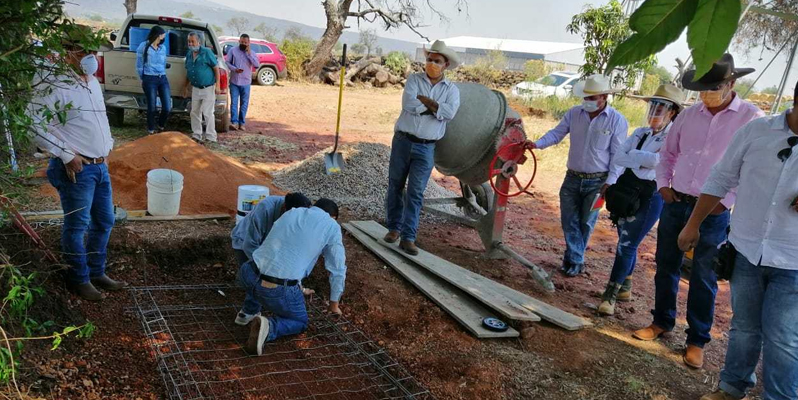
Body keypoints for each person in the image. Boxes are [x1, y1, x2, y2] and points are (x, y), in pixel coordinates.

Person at [632, 54, 765, 369]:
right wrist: (664, 185)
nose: (707, 93)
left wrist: (726, 199)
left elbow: (752, 167)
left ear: (731, 84)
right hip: (677, 201)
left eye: (713, 86)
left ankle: (696, 340)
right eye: (703, 87)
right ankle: (662, 321)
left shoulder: (751, 119)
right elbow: (668, 153)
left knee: (704, 275)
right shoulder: (689, 116)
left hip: (714, 210)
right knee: (666, 265)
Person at [678, 84, 798, 400]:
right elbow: (721, 177)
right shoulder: (758, 130)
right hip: (747, 250)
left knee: (783, 337)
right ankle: (731, 388)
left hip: (793, 261)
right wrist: (693, 224)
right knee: (744, 328)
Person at [29, 25, 126, 301]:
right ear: (68, 51)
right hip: (76, 168)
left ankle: (96, 271)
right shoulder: (53, 83)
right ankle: (78, 278)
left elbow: (98, 116)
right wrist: (66, 154)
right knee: (77, 226)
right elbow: (34, 124)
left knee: (105, 220)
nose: (92, 57)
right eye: (86, 51)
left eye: (94, 51)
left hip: (99, 164)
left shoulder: (92, 80)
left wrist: (106, 145)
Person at [528, 74, 628, 277]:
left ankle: (572, 259)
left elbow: (618, 155)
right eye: (586, 97)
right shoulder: (574, 114)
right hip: (572, 177)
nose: (588, 101)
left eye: (593, 98)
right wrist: (537, 144)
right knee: (568, 219)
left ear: (604, 97)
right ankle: (577, 259)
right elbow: (557, 134)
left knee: (587, 222)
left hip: (598, 182)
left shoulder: (617, 121)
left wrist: (611, 181)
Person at [597, 84, 685, 316]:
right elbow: (619, 157)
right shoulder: (640, 133)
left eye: (661, 107)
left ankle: (611, 293)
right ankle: (625, 285)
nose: (655, 111)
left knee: (627, 244)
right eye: (653, 105)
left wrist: (634, 157)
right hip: (628, 190)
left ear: (673, 112)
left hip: (651, 194)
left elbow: (660, 162)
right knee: (625, 238)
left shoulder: (674, 137)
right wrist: (641, 159)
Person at [384, 40, 461, 256]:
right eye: (429, 59)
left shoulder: (452, 90)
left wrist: (426, 102)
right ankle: (393, 228)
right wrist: (436, 109)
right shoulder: (414, 80)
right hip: (402, 141)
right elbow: (409, 105)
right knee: (395, 185)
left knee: (416, 192)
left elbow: (450, 114)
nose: (431, 64)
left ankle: (409, 237)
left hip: (426, 147)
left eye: (437, 61)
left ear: (445, 65)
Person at [241, 199, 346, 355]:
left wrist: (299, 287)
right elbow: (337, 269)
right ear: (333, 217)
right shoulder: (332, 226)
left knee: (264, 272)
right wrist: (334, 304)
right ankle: (269, 327)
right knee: (299, 321)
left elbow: (280, 254)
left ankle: (246, 314)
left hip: (247, 274)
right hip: (275, 289)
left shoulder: (292, 212)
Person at [230, 192, 311, 269]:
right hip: (244, 241)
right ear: (284, 208)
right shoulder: (265, 208)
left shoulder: (299, 214)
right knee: (250, 275)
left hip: (266, 245)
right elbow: (249, 245)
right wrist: (266, 267)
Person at [182, 32, 221, 143]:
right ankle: (197, 135)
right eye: (189, 41)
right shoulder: (189, 54)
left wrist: (217, 85)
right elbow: (188, 72)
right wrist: (185, 86)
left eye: (192, 41)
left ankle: (210, 137)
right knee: (194, 112)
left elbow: (216, 68)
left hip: (208, 88)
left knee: (208, 113)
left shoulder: (207, 52)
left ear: (198, 42)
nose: (190, 43)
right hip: (195, 88)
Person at [136, 26, 170, 135]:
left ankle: (161, 125)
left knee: (167, 107)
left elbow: (164, 62)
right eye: (163, 34)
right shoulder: (144, 46)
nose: (164, 36)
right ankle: (151, 130)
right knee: (152, 106)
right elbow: (139, 64)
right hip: (149, 78)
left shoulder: (163, 48)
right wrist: (142, 77)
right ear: (158, 34)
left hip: (162, 77)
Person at [225, 34, 259, 131]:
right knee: (234, 103)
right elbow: (227, 62)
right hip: (234, 81)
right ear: (239, 41)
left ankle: (242, 123)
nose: (243, 43)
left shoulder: (252, 53)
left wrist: (249, 54)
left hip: (246, 82)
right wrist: (235, 69)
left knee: (244, 103)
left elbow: (256, 65)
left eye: (245, 42)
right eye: (242, 42)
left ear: (248, 43)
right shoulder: (232, 51)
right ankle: (234, 122)